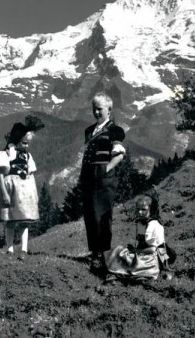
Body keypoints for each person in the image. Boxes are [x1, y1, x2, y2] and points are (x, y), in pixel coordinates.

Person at [80, 92, 126, 276]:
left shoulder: (115, 130)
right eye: (94, 109)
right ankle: (94, 252)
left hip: (104, 178)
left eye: (100, 109)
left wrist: (106, 170)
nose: (96, 112)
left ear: (109, 109)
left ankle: (104, 254)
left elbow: (120, 154)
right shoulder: (89, 130)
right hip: (88, 175)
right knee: (90, 215)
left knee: (102, 216)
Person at [0, 115, 45, 258]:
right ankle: (9, 249)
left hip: (25, 192)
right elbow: (1, 175)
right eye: (25, 143)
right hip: (11, 191)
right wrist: (4, 194)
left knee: (24, 221)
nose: (27, 146)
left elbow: (31, 175)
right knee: (10, 221)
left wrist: (34, 194)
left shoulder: (27, 156)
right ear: (16, 140)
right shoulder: (5, 154)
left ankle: (24, 249)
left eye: (28, 143)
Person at [104, 194, 171, 282]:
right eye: (138, 209)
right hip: (141, 253)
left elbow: (158, 248)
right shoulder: (140, 223)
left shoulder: (155, 226)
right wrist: (133, 250)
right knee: (119, 250)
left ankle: (124, 274)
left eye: (143, 210)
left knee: (132, 261)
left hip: (150, 259)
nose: (139, 212)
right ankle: (116, 270)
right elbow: (141, 243)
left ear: (151, 210)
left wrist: (166, 268)